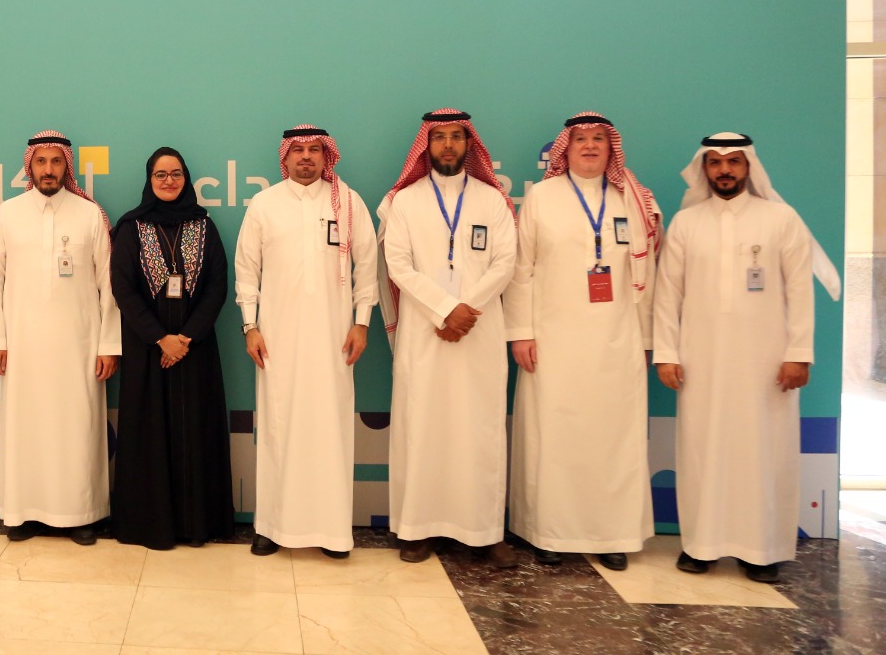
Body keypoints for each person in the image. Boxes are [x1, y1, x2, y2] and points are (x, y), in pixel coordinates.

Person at [654, 133, 839, 583]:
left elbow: (800, 291)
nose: (724, 170)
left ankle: (762, 550)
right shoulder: (686, 222)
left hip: (766, 360)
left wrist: (799, 353)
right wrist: (666, 353)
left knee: (764, 451)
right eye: (715, 162)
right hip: (700, 360)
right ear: (704, 169)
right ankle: (700, 546)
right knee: (702, 450)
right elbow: (667, 294)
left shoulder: (780, 219)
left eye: (734, 161)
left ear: (749, 166)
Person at [504, 112, 661, 571]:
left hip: (617, 339)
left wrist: (646, 339)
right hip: (553, 340)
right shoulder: (543, 198)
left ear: (611, 149)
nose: (590, 146)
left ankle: (613, 533)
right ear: (565, 150)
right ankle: (549, 533)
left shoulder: (634, 199)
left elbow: (647, 275)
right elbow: (521, 269)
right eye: (580, 140)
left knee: (613, 438)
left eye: (598, 139)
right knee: (554, 437)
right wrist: (521, 332)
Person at [376, 109, 519, 568]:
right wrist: (443, 308)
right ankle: (418, 530)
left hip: (479, 329)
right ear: (427, 145)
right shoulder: (405, 201)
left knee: (480, 429)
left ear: (469, 144)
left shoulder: (492, 201)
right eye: (439, 137)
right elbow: (398, 265)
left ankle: (483, 532)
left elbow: (505, 262)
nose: (449, 145)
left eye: (457, 137)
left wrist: (464, 309)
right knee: (423, 426)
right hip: (425, 331)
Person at [234, 124, 378, 559]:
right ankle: (272, 527)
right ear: (285, 157)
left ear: (326, 156)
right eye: (297, 150)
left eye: (315, 149)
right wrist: (250, 326)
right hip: (276, 340)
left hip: (336, 340)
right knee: (278, 428)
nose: (306, 157)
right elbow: (247, 270)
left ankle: (332, 532)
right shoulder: (265, 204)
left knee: (330, 429)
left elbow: (367, 267)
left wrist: (362, 323)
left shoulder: (348, 203)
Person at [0, 130, 121, 545]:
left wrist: (109, 345)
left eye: (56, 161)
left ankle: (80, 514)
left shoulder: (89, 215)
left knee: (76, 427)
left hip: (79, 344)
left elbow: (109, 285)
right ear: (29, 166)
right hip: (22, 344)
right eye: (41, 162)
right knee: (25, 427)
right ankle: (23, 513)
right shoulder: (7, 214)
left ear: (67, 167)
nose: (48, 170)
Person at [109, 147, 235, 550]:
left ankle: (197, 525)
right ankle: (151, 525)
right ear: (149, 180)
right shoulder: (131, 228)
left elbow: (217, 285)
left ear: (186, 178)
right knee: (150, 433)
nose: (169, 181)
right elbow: (123, 289)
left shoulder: (204, 225)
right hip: (148, 350)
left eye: (176, 174)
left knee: (195, 430)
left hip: (195, 350)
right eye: (160, 175)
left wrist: (186, 338)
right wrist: (160, 337)